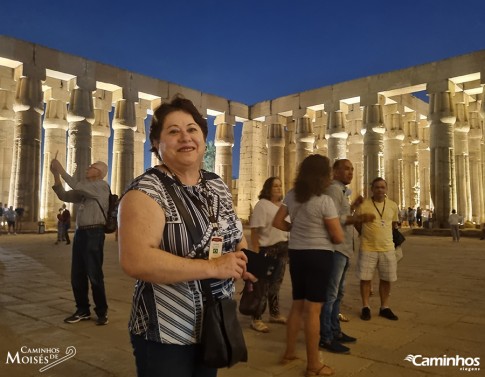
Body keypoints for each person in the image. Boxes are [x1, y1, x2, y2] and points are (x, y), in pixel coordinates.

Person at [118, 96, 251, 377]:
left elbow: (234, 233)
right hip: (166, 331)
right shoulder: (145, 191)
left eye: (192, 129)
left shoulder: (216, 185)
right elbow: (136, 260)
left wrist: (243, 258)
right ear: (156, 143)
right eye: (173, 131)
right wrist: (212, 267)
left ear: (203, 137)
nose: (185, 137)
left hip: (214, 323)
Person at [273, 154, 344, 377]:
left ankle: (289, 352)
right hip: (319, 255)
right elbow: (338, 237)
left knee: (297, 305)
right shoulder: (324, 201)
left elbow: (277, 222)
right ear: (323, 175)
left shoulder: (292, 195)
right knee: (313, 310)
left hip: (297, 253)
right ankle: (314, 364)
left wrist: (294, 229)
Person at [319, 159, 374, 354]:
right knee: (331, 294)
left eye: (352, 169)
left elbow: (339, 213)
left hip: (344, 248)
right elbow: (331, 218)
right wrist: (357, 218)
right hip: (336, 249)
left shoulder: (341, 191)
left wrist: (352, 208)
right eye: (346, 169)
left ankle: (335, 331)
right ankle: (325, 336)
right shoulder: (334, 190)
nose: (350, 172)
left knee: (338, 294)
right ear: (335, 171)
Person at [50, 158, 110, 326]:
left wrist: (61, 170)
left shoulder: (100, 187)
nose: (88, 168)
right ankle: (82, 310)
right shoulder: (85, 191)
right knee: (77, 275)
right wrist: (56, 175)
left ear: (99, 172)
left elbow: (76, 185)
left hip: (94, 233)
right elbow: (64, 195)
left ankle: (102, 311)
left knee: (94, 274)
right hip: (81, 234)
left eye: (92, 167)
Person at [355, 177, 399, 322]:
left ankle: (384, 307)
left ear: (386, 189)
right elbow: (357, 223)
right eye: (377, 187)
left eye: (382, 187)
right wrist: (365, 234)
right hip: (368, 247)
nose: (380, 189)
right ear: (372, 189)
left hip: (387, 247)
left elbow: (392, 225)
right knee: (365, 278)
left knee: (386, 279)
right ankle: (365, 306)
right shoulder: (363, 205)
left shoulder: (393, 205)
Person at [249, 177, 288, 333]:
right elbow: (254, 231)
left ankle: (274, 313)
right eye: (275, 186)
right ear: (268, 188)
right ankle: (256, 318)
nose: (278, 188)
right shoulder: (262, 206)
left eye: (280, 185)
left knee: (276, 285)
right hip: (267, 250)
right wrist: (256, 253)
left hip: (282, 249)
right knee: (262, 286)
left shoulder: (283, 206)